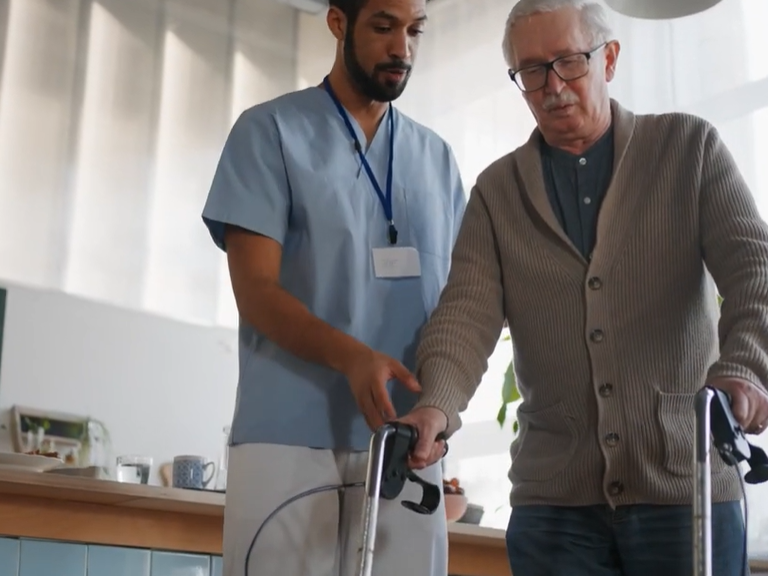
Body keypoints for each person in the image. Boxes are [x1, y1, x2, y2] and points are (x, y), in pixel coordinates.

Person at [399, 0, 768, 575]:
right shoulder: (498, 192)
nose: (552, 86)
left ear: (609, 59)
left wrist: (745, 367)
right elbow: (464, 316)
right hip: (555, 506)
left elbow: (756, 271)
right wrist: (436, 407)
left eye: (568, 62)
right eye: (531, 72)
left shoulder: (688, 150)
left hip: (683, 486)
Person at [200, 0, 465, 575]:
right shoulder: (269, 132)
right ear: (338, 22)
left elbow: (463, 309)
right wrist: (352, 358)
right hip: (288, 439)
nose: (403, 48)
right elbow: (256, 289)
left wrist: (443, 408)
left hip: (406, 446)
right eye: (383, 27)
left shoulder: (438, 160)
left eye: (415, 30)